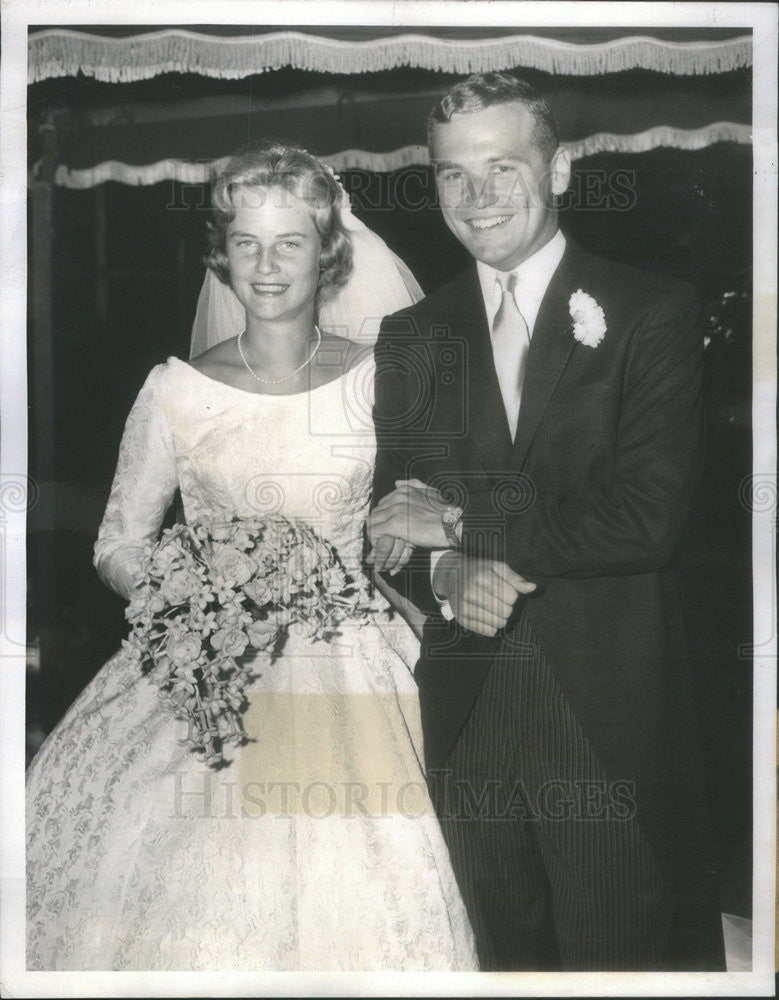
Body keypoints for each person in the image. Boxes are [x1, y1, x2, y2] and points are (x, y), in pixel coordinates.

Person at [26, 142, 477, 971]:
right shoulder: (176, 389)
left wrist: (422, 534)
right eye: (246, 243)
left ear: (327, 252)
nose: (266, 267)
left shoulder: (381, 381)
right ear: (221, 254)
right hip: (206, 668)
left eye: (290, 243)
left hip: (352, 664)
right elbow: (118, 543)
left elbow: (430, 508)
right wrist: (187, 585)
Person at [366, 72, 725, 971]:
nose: (476, 196)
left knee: (620, 959)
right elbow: (386, 531)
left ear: (557, 170)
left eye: (501, 166)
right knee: (501, 959)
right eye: (453, 173)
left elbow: (645, 520)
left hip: (604, 711)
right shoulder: (413, 335)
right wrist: (443, 575)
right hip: (467, 713)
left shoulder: (654, 311)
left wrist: (454, 527)